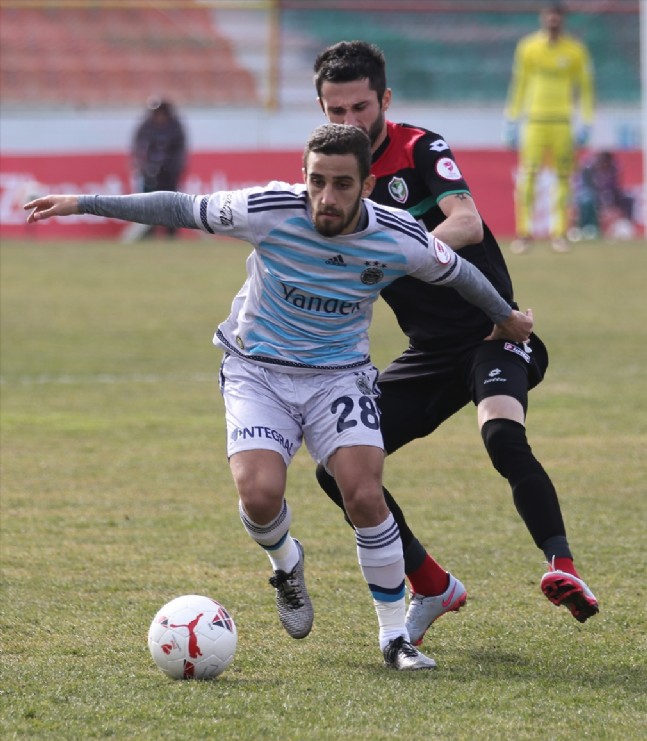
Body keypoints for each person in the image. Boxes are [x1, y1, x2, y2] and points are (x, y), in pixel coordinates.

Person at [24, 124, 534, 671]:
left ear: (366, 187)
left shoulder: (398, 233)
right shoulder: (268, 207)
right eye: (317, 181)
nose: (326, 197)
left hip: (339, 376)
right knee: (260, 496)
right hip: (257, 371)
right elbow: (178, 206)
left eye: (342, 185)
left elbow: (460, 273)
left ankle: (393, 638)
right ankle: (286, 564)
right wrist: (83, 203)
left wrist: (505, 317)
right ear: (303, 177)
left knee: (364, 494)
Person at [312, 41, 599, 647]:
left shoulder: (420, 147)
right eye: (334, 112)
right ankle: (433, 584)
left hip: (494, 330)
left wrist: (395, 255)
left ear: (384, 101)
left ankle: (564, 570)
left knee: (501, 434)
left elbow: (466, 220)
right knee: (337, 469)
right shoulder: (331, 177)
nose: (347, 123)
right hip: (429, 354)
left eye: (359, 108)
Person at [504, 2, 595, 254]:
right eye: (549, 15)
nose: (553, 20)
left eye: (557, 16)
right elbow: (519, 84)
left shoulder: (575, 51)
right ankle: (524, 233)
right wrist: (512, 118)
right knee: (529, 175)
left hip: (562, 122)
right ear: (543, 17)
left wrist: (586, 121)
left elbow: (585, 89)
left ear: (562, 19)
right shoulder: (528, 47)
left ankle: (560, 233)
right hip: (534, 120)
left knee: (564, 177)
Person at [128, 97, 187, 240]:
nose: (159, 117)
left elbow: (179, 151)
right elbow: (138, 148)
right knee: (148, 202)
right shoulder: (146, 127)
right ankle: (148, 232)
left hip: (169, 173)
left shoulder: (175, 127)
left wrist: (174, 168)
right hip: (150, 173)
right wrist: (143, 167)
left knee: (170, 202)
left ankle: (171, 233)